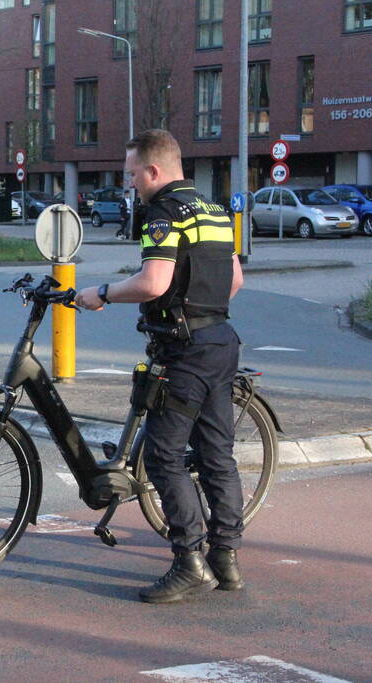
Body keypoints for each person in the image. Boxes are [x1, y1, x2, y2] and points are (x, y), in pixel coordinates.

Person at [75, 129, 245, 604]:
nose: (130, 184)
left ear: (153, 170)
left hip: (185, 352)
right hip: (220, 341)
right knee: (217, 455)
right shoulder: (214, 210)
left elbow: (153, 283)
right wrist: (201, 308)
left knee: (163, 456)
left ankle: (189, 562)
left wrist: (102, 293)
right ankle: (226, 561)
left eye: (132, 175)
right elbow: (235, 279)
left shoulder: (164, 213)